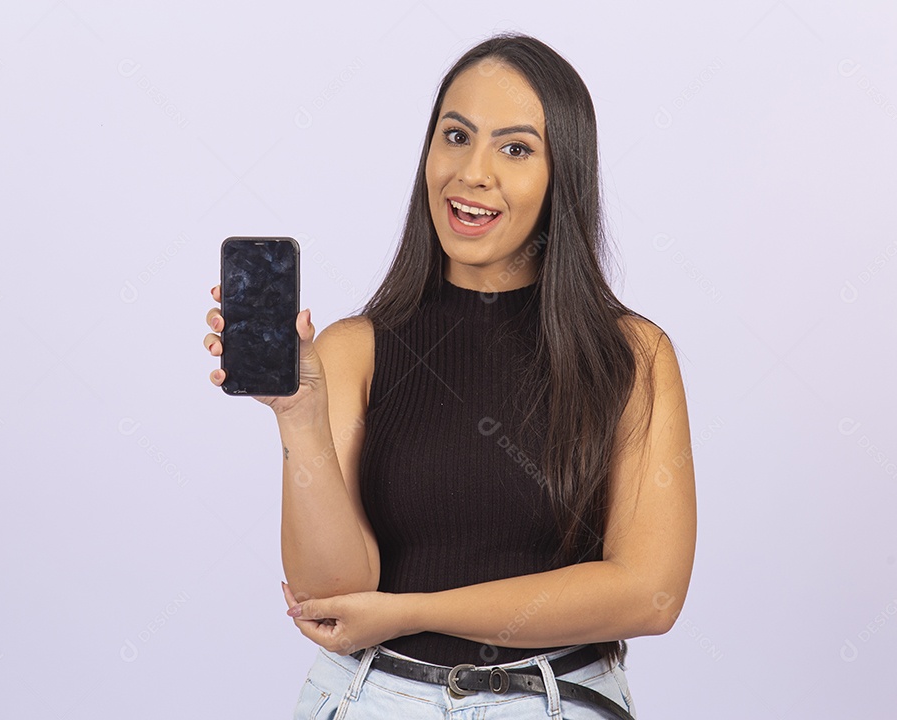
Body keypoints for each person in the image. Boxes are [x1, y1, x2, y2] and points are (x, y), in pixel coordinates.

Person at [202, 32, 695, 720]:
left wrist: (411, 612)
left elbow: (650, 594)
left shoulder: (632, 356)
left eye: (516, 149)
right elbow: (333, 597)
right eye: (456, 136)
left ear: (564, 176)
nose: (473, 172)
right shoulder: (353, 350)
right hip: (371, 698)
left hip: (554, 702)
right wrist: (300, 419)